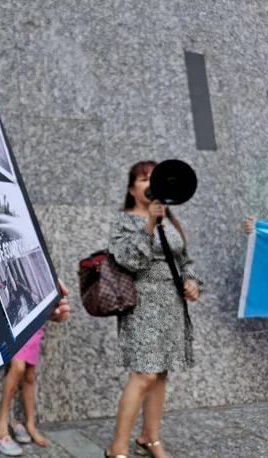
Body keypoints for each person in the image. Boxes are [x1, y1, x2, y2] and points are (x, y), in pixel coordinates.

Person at [105, 161, 202, 458]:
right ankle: (117, 446)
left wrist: (192, 282)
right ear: (132, 188)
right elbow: (130, 261)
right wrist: (149, 222)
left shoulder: (170, 221)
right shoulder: (123, 221)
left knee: (160, 374)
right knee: (144, 375)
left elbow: (184, 261)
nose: (150, 183)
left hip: (171, 306)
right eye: (144, 178)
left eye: (154, 178)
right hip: (142, 306)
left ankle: (150, 436)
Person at [0, 280, 70, 456]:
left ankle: (30, 425)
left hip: (35, 319)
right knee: (18, 367)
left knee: (29, 375)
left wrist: (58, 310)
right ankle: (1, 424)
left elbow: (59, 307)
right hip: (16, 317)